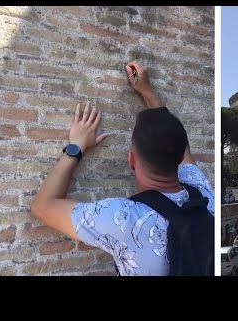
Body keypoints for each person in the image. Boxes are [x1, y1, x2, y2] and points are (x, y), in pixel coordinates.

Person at [31, 61, 215, 276]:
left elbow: (43, 207)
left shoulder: (123, 219)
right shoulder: (203, 193)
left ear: (131, 160)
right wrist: (148, 92)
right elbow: (178, 143)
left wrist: (76, 146)